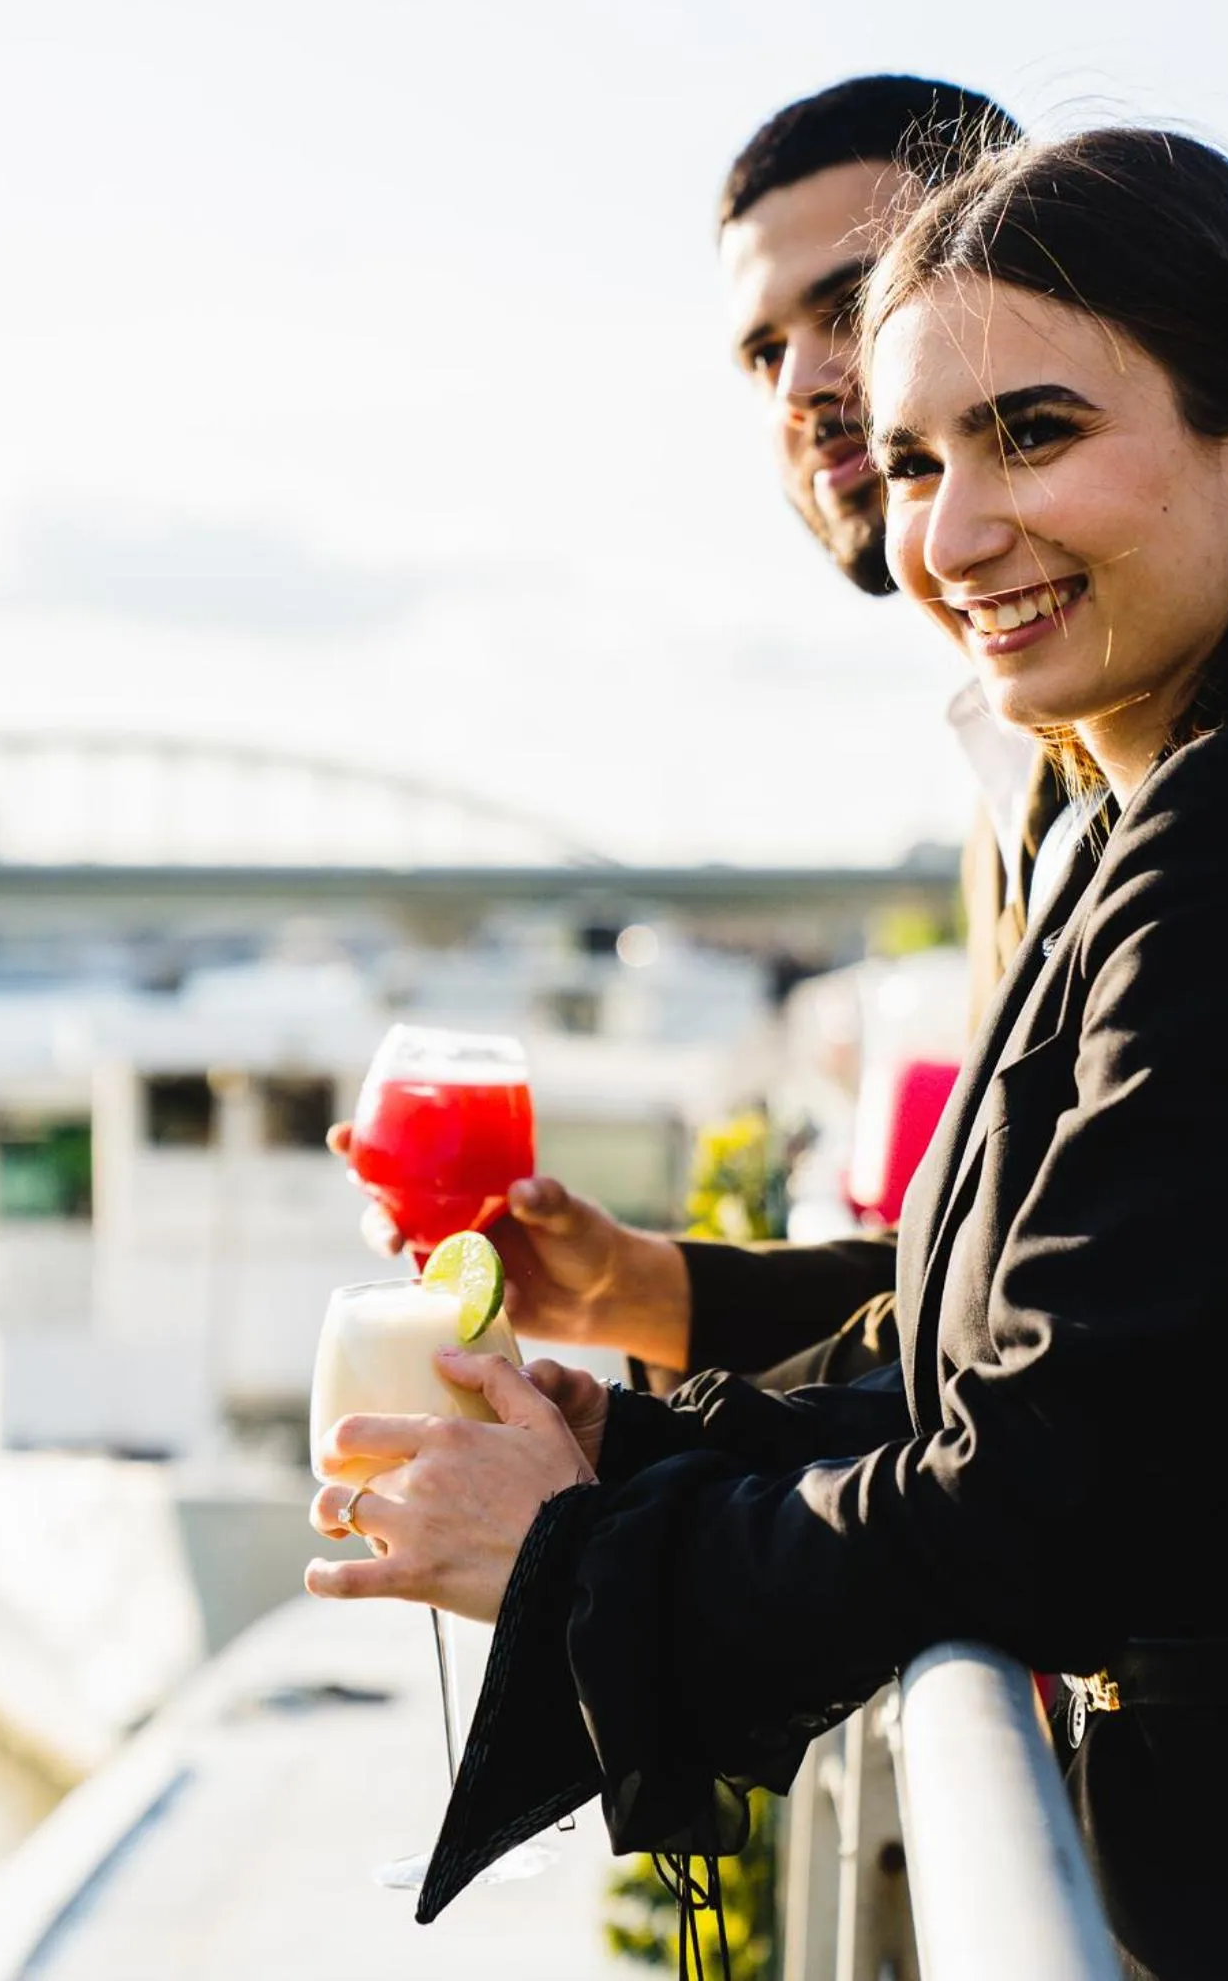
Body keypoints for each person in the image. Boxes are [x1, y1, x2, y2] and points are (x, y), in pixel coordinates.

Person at [309, 127, 1228, 1976]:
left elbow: (1055, 1492)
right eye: (914, 461)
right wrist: (630, 1456)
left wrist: (574, 1566)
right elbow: (1036, 1357)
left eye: (1033, 435)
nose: (953, 535)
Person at [334, 75, 1048, 1394]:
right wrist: (628, 1289)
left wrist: (620, 1494)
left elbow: (1058, 1393)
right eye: (762, 352)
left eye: (850, 306)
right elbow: (991, 1288)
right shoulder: (1010, 765)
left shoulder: (1212, 773)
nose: (808, 383)